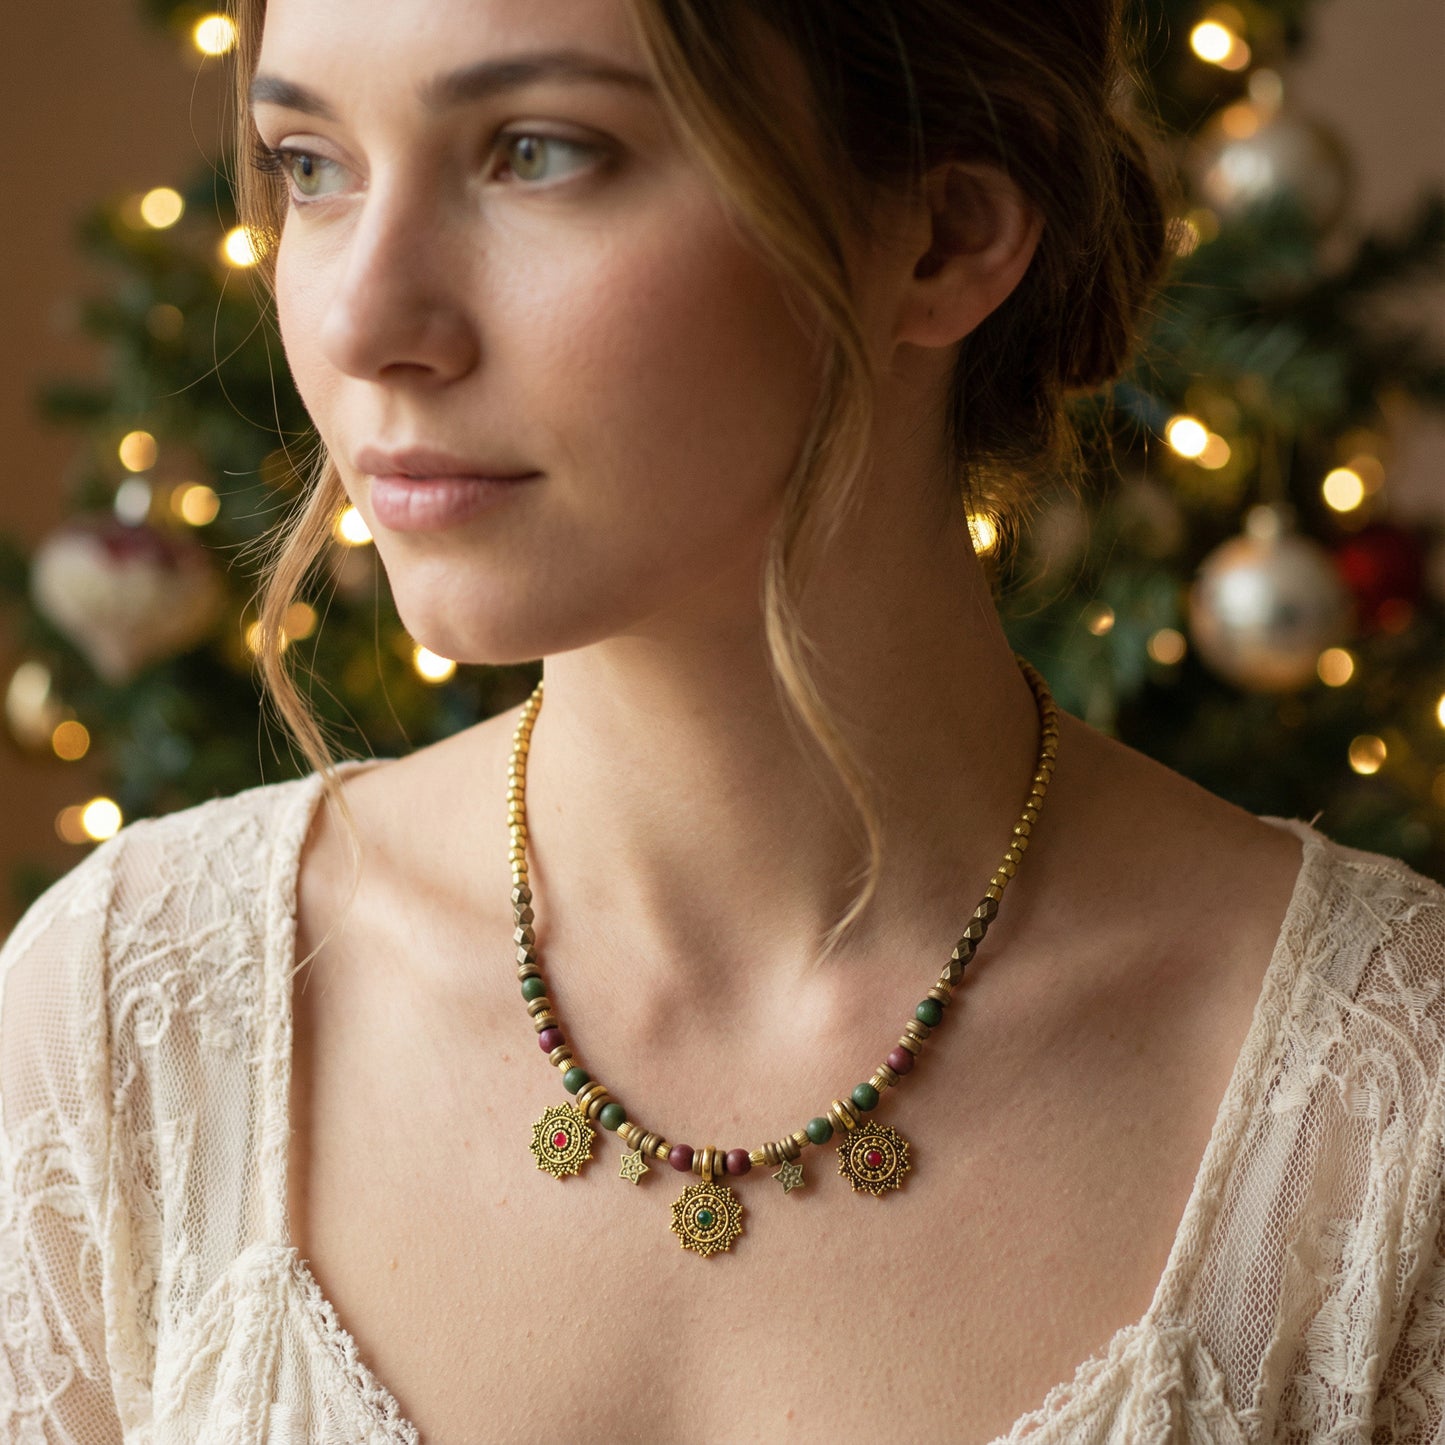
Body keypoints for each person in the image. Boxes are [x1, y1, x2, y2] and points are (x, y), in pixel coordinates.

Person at [4, 0, 1445, 1439]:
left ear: (942, 235)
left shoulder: (1388, 1115)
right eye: (310, 163)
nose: (360, 322)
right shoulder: (127, 1016)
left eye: (536, 152)